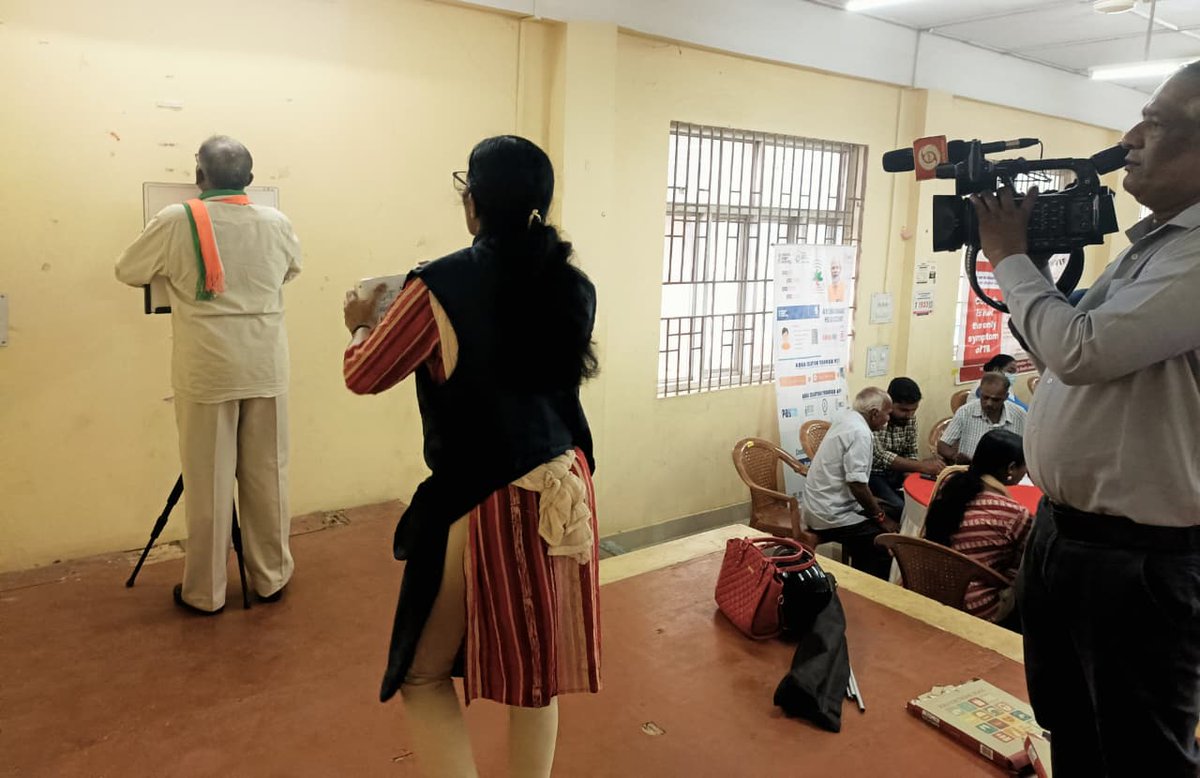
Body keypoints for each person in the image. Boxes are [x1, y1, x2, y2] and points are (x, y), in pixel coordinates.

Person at [342, 136, 600, 778]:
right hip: (567, 486)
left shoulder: (439, 284)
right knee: (537, 678)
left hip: (487, 496)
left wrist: (359, 322)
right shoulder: (573, 285)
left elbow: (364, 374)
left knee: (424, 674)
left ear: (473, 202)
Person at [969, 62, 1200, 777]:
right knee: (1070, 723)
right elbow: (1072, 342)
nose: (1131, 138)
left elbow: (1079, 350)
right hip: (1068, 538)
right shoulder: (1156, 247)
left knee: (1140, 754)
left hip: (1140, 560)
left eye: (1158, 124)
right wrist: (1028, 264)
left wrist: (1008, 257)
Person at [115, 136, 302, 614]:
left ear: (199, 177)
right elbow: (291, 270)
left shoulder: (177, 219)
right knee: (268, 476)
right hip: (265, 364)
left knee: (208, 482)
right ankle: (271, 579)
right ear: (251, 180)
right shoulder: (276, 222)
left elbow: (129, 270)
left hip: (208, 369)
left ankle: (206, 592)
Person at [924, 430, 1031, 630]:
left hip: (925, 585)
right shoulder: (1015, 514)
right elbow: (1027, 566)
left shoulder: (949, 483)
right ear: (1011, 468)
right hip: (973, 605)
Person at [801, 387, 898, 579]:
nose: (889, 419)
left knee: (894, 509)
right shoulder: (860, 432)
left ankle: (859, 573)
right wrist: (880, 517)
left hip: (821, 505)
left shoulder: (847, 418)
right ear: (874, 413)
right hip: (830, 513)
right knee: (880, 542)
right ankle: (870, 589)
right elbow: (857, 485)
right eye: (887, 414)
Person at [870, 377, 944, 518]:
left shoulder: (910, 419)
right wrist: (921, 466)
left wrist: (911, 473)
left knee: (927, 501)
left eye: (913, 410)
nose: (909, 415)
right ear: (889, 402)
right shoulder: (876, 417)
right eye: (903, 410)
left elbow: (911, 451)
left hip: (898, 472)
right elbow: (880, 457)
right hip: (874, 474)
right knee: (900, 508)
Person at [937, 373, 1026, 464]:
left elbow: (1030, 448)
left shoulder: (1019, 415)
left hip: (1008, 472)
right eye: (985, 397)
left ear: (1006, 397)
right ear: (980, 393)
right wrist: (954, 456)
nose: (989, 403)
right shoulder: (965, 411)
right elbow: (942, 445)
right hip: (971, 470)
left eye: (995, 400)